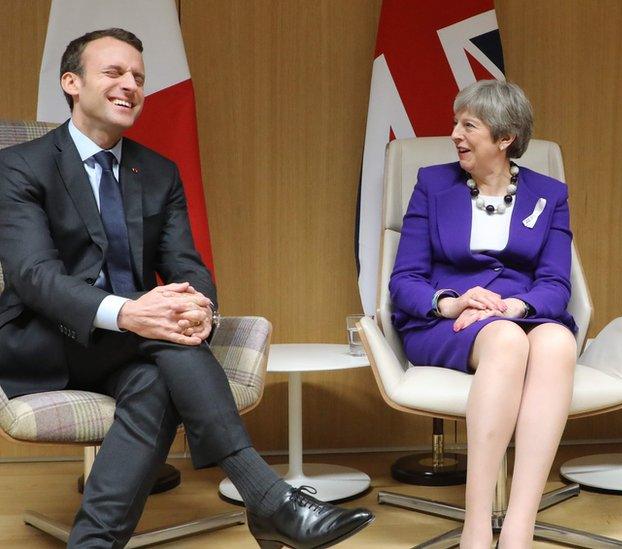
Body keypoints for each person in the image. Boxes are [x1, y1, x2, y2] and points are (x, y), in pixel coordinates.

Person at [0, 28, 373, 548]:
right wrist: (131, 315)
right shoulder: (19, 165)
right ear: (71, 83)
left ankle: (94, 543)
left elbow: (187, 267)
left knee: (155, 384)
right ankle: (268, 500)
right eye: (114, 72)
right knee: (164, 340)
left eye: (138, 77)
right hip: (49, 338)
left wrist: (200, 309)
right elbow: (32, 275)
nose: (129, 84)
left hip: (142, 346)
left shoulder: (156, 171)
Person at [390, 80, 578, 549]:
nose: (455, 133)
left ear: (504, 138)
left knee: (556, 342)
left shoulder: (548, 194)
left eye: (468, 125)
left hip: (519, 313)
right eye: (457, 123)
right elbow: (404, 279)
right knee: (506, 340)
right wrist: (449, 301)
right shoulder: (432, 185)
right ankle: (476, 526)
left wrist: (520, 306)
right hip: (446, 320)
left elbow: (556, 283)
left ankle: (519, 526)